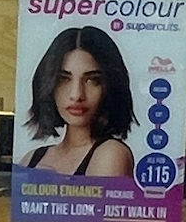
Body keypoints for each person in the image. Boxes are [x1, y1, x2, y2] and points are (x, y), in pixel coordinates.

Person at [20, 24, 136, 178]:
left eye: (92, 80)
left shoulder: (111, 154)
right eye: (63, 79)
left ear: (110, 86)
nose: (77, 95)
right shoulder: (30, 159)